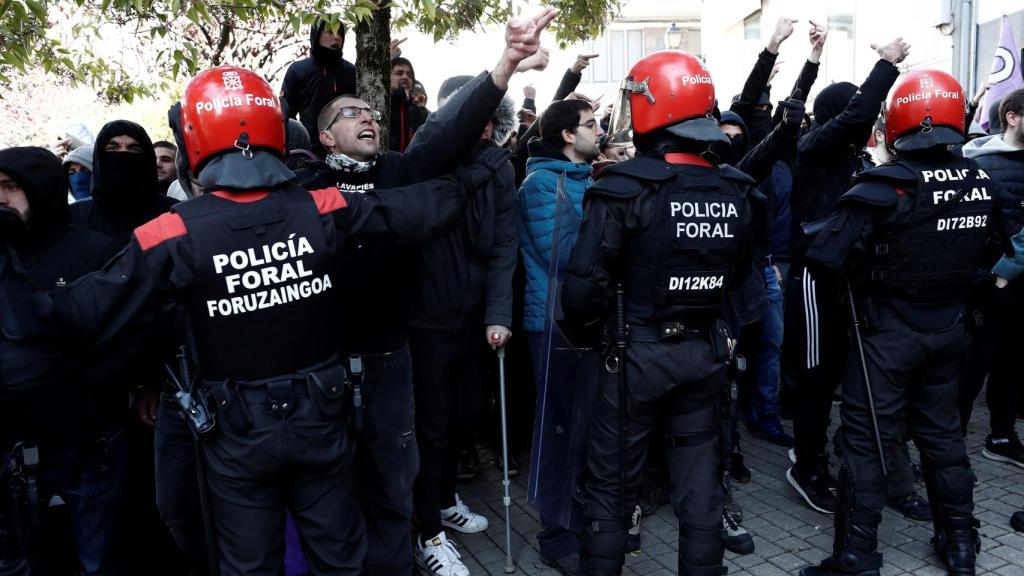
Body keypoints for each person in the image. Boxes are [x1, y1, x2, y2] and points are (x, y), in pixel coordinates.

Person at [5, 65, 504, 576]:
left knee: (249, 563)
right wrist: (474, 175)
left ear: (194, 139)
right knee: (340, 558)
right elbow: (420, 206)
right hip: (323, 418)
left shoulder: (170, 231)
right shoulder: (320, 207)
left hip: (236, 432)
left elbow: (76, 311)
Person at [296, 11, 555, 576]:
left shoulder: (400, 172)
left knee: (398, 467)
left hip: (393, 354)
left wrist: (506, 65)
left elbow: (445, 132)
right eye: (349, 112)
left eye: (369, 110)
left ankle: (419, 542)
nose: (364, 116)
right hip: (325, 363)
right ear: (323, 134)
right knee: (333, 478)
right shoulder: (304, 190)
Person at [560, 50, 767, 576]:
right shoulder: (737, 190)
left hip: (635, 355)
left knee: (611, 484)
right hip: (703, 355)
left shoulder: (622, 189)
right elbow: (745, 284)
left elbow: (582, 291)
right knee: (699, 482)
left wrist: (595, 336)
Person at [800, 69, 1014, 576]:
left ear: (899, 120)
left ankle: (856, 553)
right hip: (948, 330)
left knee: (867, 438)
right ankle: (960, 546)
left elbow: (823, 258)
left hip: (885, 333)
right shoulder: (980, 180)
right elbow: (996, 252)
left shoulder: (884, 186)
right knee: (943, 437)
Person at [785, 38, 907, 515]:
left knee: (837, 372)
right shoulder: (814, 145)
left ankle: (822, 449)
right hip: (814, 280)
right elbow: (856, 116)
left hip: (844, 280)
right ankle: (807, 467)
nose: (869, 118)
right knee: (814, 376)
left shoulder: (854, 160)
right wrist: (887, 65)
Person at [408, 73, 518, 576]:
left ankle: (445, 497)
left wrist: (497, 314)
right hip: (427, 319)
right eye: (477, 115)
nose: (486, 127)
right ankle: (424, 527)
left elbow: (504, 246)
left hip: (472, 319)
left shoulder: (500, 169)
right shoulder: (427, 156)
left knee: (466, 416)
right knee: (432, 428)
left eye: (493, 119)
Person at [0, 147, 125, 576]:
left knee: (98, 558)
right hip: (10, 443)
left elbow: (125, 338)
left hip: (87, 439)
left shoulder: (97, 252)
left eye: (11, 187)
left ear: (42, 189)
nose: (1, 198)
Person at [518, 96, 603, 573]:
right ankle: (556, 534)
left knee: (586, 429)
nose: (599, 132)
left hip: (582, 320)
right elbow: (567, 254)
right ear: (568, 135)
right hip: (553, 323)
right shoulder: (540, 184)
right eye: (590, 125)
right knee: (557, 431)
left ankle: (581, 519)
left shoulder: (584, 178)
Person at [957, 88, 1024, 469]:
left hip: (1018, 286)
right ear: (1012, 116)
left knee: (1012, 365)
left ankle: (1001, 436)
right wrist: (993, 276)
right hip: (988, 285)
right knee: (972, 366)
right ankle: (953, 444)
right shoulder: (977, 159)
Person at [281, 18, 356, 156]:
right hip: (307, 151)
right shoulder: (298, 70)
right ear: (316, 36)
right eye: (330, 31)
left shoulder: (351, 71)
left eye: (340, 33)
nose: (336, 37)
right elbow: (286, 114)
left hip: (344, 151)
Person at [389, 57, 429, 152]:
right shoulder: (375, 104)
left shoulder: (422, 115)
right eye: (399, 73)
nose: (405, 77)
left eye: (410, 75)